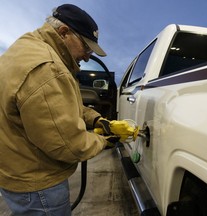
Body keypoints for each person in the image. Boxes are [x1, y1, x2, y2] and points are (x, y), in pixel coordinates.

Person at [0, 4, 121, 216]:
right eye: (86, 47)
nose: (86, 56)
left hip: (16, 168)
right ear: (64, 32)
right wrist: (104, 141)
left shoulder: (28, 46)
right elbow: (69, 145)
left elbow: (62, 105)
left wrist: (95, 120)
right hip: (37, 183)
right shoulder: (47, 69)